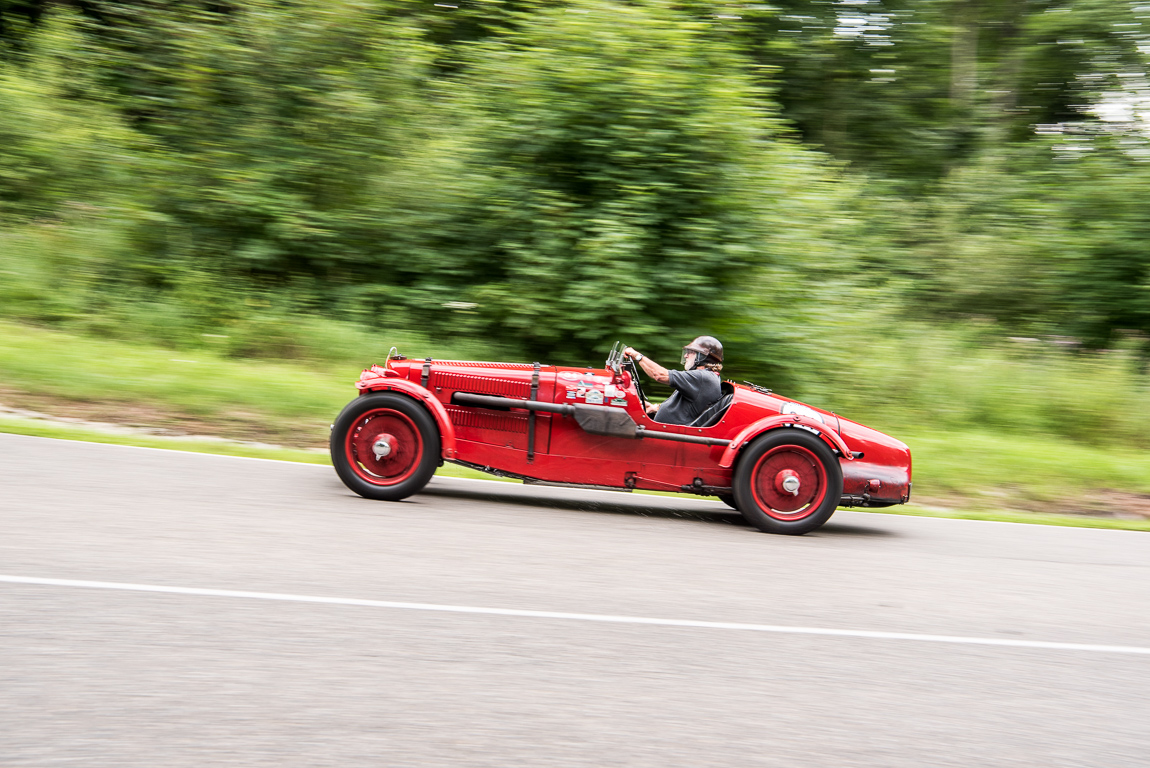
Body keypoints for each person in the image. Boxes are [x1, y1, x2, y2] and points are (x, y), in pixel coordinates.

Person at [622, 336, 723, 425]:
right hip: (663, 432)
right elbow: (687, 408)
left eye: (691, 352)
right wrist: (656, 408)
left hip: (669, 436)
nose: (685, 356)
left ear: (702, 357)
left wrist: (636, 355)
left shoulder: (702, 377)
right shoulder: (703, 378)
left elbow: (659, 375)